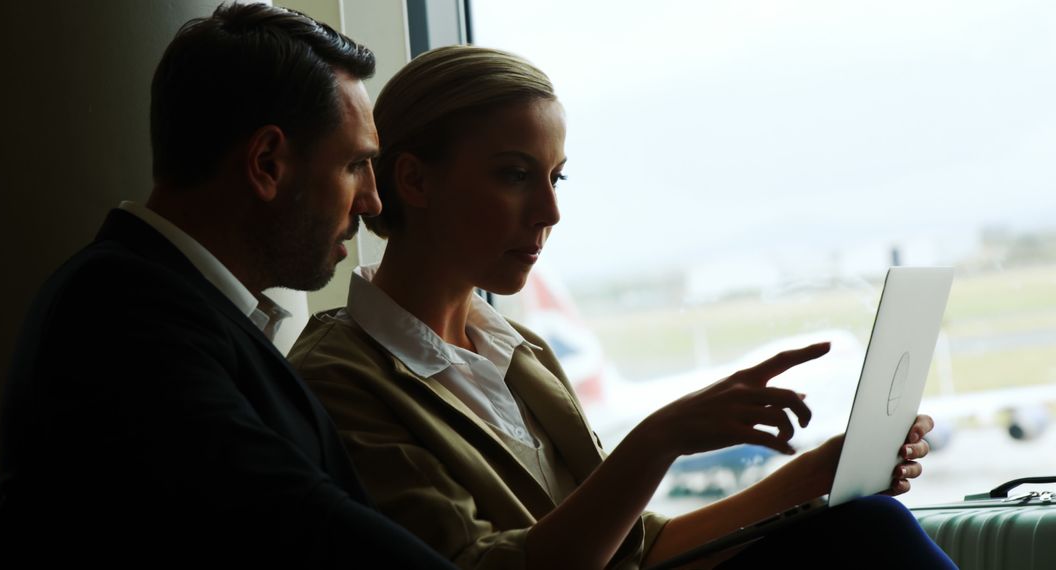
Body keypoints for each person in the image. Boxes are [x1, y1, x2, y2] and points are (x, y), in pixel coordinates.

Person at [288, 45, 957, 569]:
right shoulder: (339, 379)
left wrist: (815, 476)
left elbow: (633, 549)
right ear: (414, 179)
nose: (550, 212)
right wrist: (658, 442)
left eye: (556, 178)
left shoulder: (517, 352)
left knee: (865, 521)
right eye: (516, 176)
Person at [0, 5, 455, 568]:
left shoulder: (161, 304)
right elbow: (302, 528)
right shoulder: (118, 320)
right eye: (356, 165)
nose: (374, 201)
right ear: (266, 163)